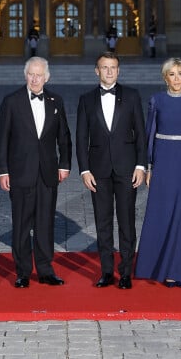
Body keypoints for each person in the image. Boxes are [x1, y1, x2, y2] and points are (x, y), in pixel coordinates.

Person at [0, 56, 72, 288]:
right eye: (31, 74)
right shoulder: (11, 102)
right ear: (25, 75)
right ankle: (23, 272)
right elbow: (2, 139)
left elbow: (64, 137)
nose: (35, 78)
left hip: (48, 173)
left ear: (46, 77)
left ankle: (46, 270)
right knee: (20, 224)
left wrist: (64, 164)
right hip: (20, 173)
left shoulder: (55, 100)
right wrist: (3, 171)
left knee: (45, 223)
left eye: (39, 74)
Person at [135, 57, 181, 289]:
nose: (177, 78)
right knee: (160, 213)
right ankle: (157, 268)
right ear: (165, 77)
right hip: (163, 160)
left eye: (180, 73)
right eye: (172, 74)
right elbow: (149, 135)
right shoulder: (157, 100)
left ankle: (178, 271)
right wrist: (148, 166)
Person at [76, 51, 146, 290]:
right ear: (97, 71)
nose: (108, 71)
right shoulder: (86, 100)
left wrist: (140, 166)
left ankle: (126, 271)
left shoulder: (133, 96)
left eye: (113, 67)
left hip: (127, 169)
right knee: (102, 222)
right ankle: (106, 271)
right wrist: (84, 170)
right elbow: (81, 137)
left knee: (127, 222)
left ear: (118, 70)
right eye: (104, 67)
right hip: (98, 171)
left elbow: (141, 135)